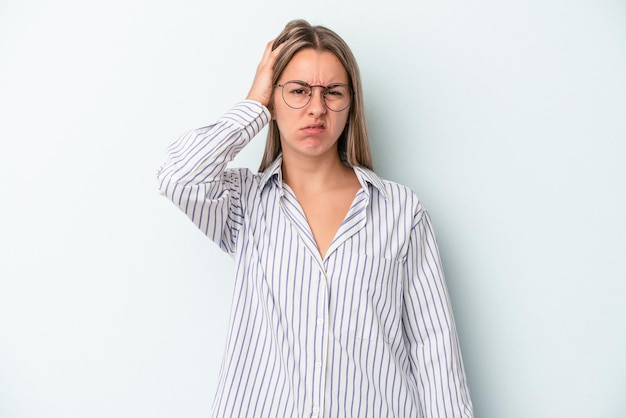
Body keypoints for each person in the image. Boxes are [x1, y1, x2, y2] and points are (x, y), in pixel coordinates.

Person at [157, 19, 473, 418]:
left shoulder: (400, 211)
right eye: (299, 91)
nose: (317, 108)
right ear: (275, 97)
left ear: (350, 104)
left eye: (333, 92)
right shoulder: (243, 204)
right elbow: (177, 176)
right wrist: (254, 105)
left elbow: (435, 352)